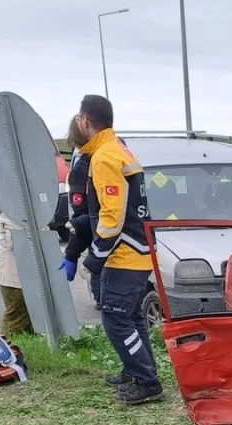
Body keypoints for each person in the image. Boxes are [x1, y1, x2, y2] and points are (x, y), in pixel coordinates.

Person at [73, 94, 164, 405]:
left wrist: (94, 257)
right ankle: (137, 371)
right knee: (134, 316)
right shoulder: (118, 150)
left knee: (115, 318)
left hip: (123, 252)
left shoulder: (104, 157)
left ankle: (148, 381)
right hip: (137, 249)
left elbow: (112, 214)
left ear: (85, 120)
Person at [60, 117, 101, 310]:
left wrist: (71, 254)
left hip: (104, 253)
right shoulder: (122, 154)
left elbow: (86, 219)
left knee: (114, 319)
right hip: (134, 250)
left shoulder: (83, 168)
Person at [0, 212, 32, 338]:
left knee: (29, 321)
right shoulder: (11, 213)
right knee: (16, 320)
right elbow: (17, 241)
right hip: (14, 279)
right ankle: (4, 351)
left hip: (26, 277)